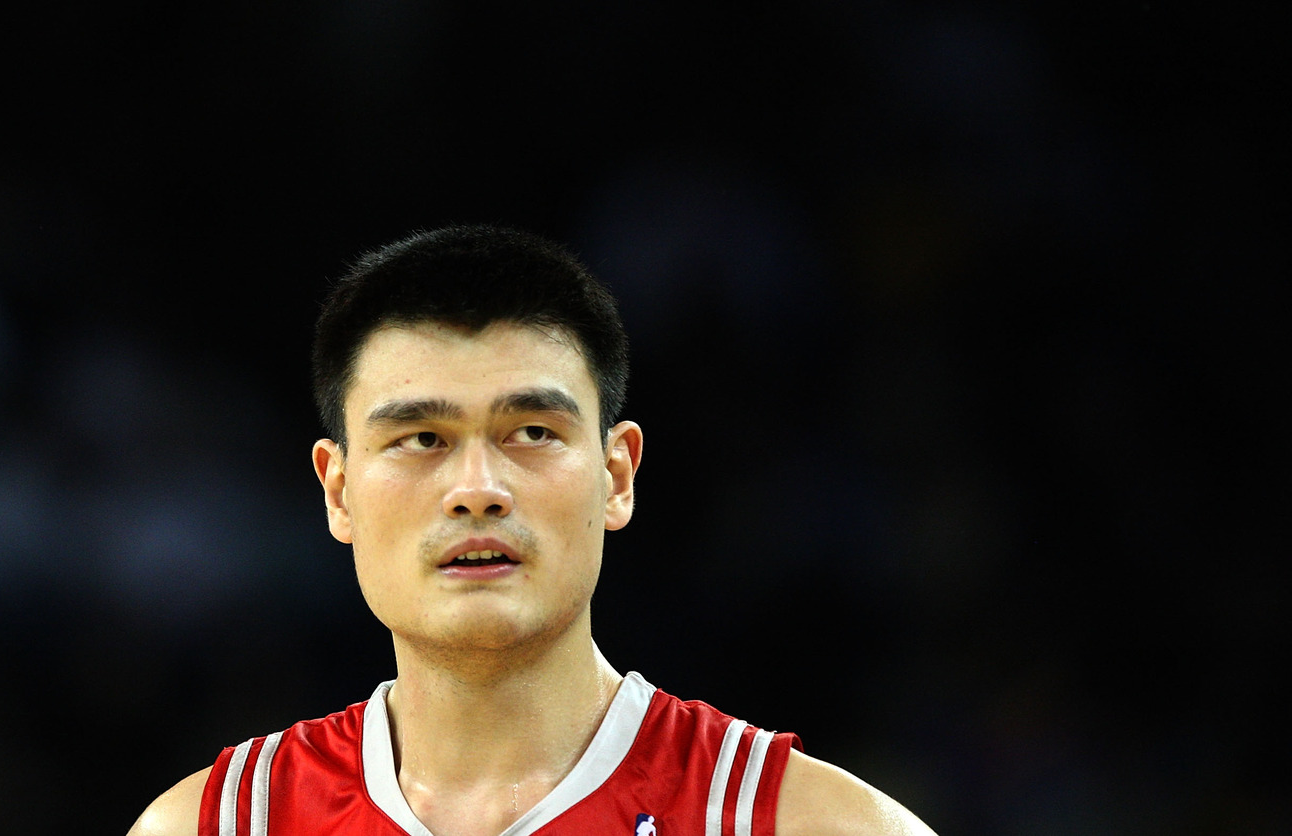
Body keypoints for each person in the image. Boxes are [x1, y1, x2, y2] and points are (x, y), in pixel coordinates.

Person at [129, 225, 936, 836]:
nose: (477, 490)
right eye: (422, 439)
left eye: (532, 433)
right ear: (338, 491)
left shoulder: (805, 823)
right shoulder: (217, 825)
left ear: (617, 475)